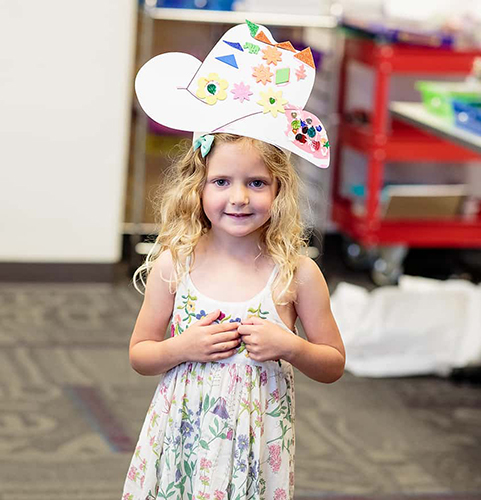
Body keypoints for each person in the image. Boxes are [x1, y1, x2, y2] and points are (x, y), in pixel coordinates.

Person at [122, 21, 345, 500]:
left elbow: (332, 363)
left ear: (279, 189)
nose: (239, 198)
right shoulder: (174, 264)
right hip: (179, 442)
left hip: (255, 449)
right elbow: (140, 353)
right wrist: (182, 348)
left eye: (257, 183)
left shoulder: (298, 274)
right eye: (221, 182)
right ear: (197, 187)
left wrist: (291, 346)